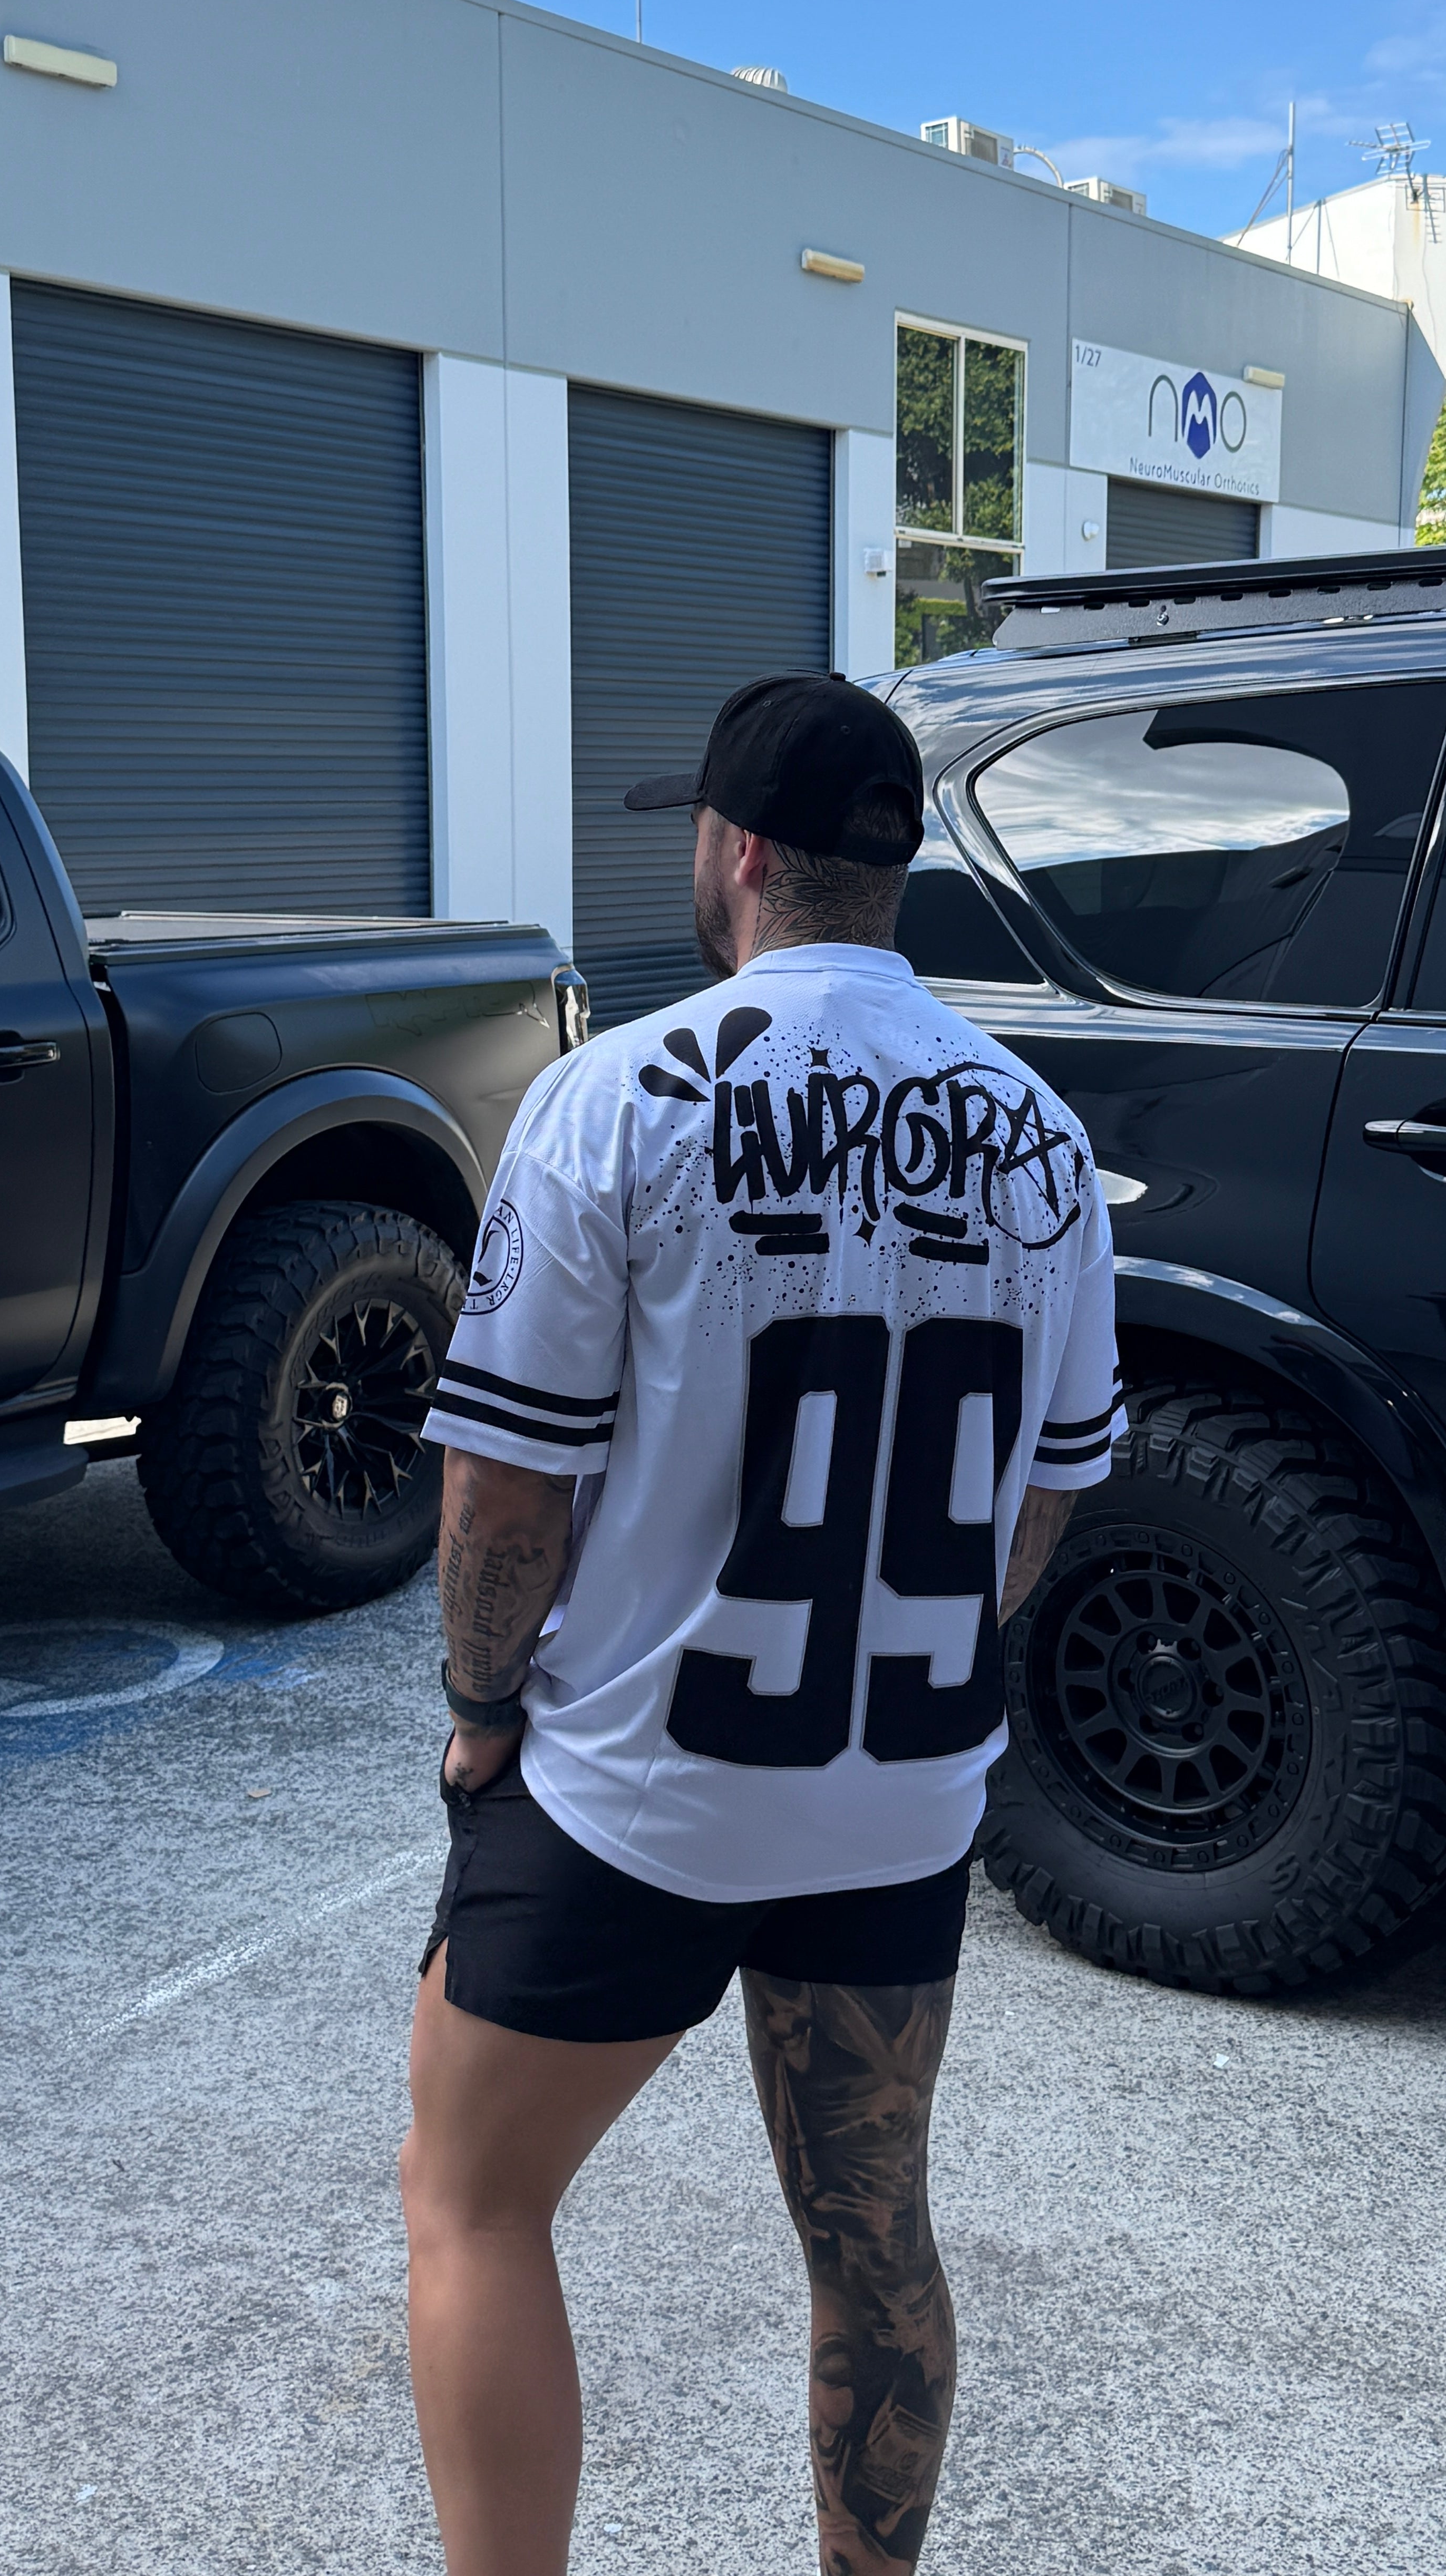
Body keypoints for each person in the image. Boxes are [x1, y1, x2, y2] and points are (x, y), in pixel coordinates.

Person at [397, 673, 1122, 2576]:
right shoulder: (1043, 1141)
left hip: (639, 1788)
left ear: (729, 857)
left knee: (471, 2207)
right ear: (898, 871)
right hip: (893, 1786)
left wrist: (483, 1707)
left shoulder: (612, 1101)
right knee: (871, 2230)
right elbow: (1044, 1493)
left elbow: (501, 1495)